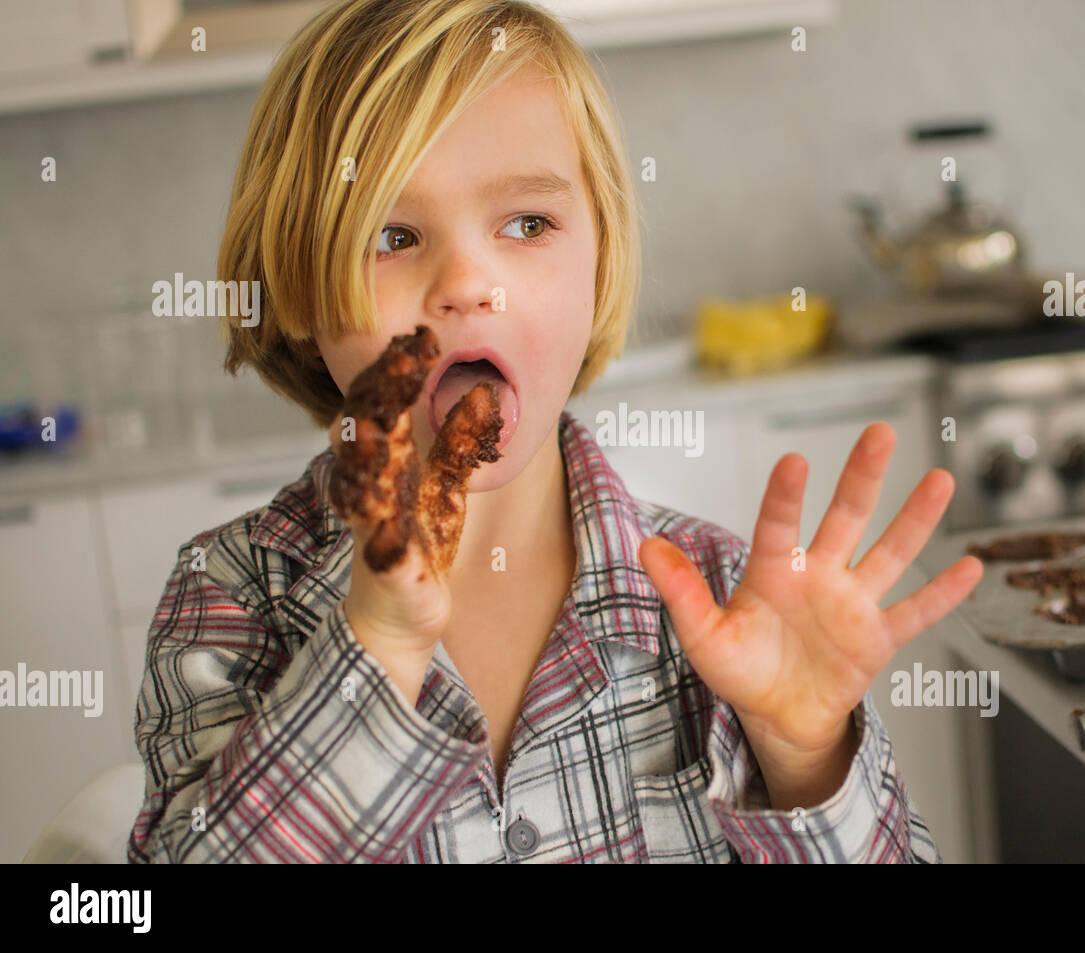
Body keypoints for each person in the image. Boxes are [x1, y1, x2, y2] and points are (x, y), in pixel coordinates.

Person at [128, 0, 982, 864]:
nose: (468, 282)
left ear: (600, 260)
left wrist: (803, 759)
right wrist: (377, 647)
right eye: (392, 235)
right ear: (303, 290)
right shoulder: (231, 597)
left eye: (527, 224)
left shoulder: (721, 599)